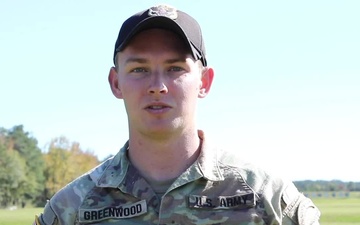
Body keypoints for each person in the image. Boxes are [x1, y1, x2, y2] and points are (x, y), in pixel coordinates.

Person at [33, 4, 320, 225]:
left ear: (204, 82)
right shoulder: (72, 208)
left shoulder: (267, 198)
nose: (157, 86)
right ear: (116, 83)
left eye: (175, 69)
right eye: (139, 69)